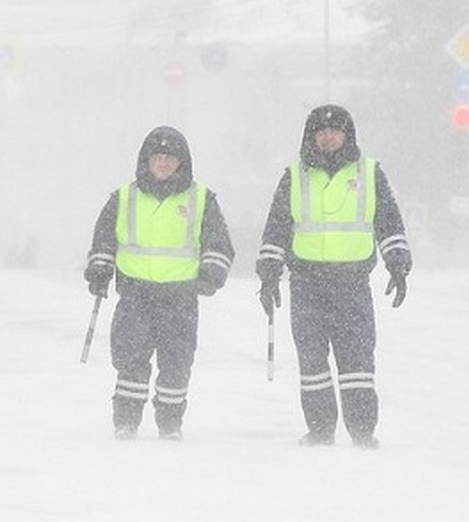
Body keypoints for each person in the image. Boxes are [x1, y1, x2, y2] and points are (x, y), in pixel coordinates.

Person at [256, 104, 412, 448]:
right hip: (307, 284)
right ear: (311, 137)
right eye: (321, 132)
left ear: (347, 135)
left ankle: (362, 432)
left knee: (357, 362)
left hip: (352, 284)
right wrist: (269, 273)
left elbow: (388, 223)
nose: (328, 137)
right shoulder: (294, 176)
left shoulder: (370, 174)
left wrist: (398, 263)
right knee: (312, 363)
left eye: (335, 131)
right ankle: (320, 430)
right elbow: (277, 229)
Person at [84, 125, 235, 441]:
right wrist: (100, 270)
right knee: (130, 361)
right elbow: (103, 240)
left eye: (171, 158)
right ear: (146, 161)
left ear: (182, 163)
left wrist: (211, 274)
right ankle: (126, 421)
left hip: (180, 297)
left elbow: (218, 243)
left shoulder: (201, 199)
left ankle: (170, 423)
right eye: (158, 157)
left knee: (177, 364)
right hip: (136, 295)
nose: (164, 163)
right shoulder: (124, 198)